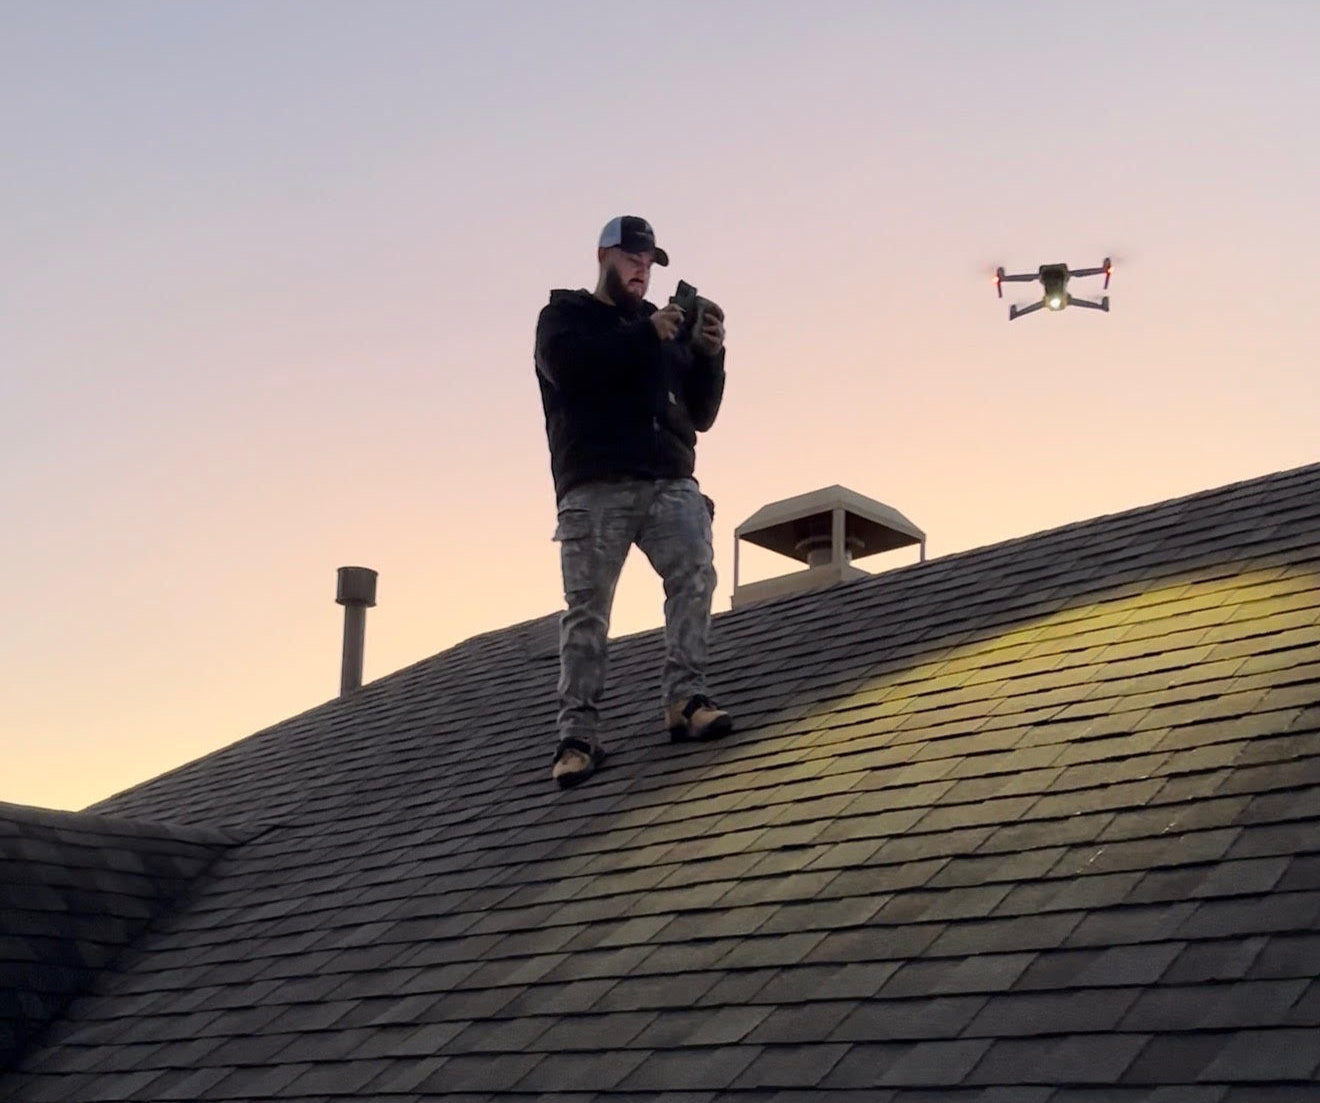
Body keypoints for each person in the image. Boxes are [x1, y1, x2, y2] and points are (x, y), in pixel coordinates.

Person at [534, 215, 733, 788]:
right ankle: (577, 736)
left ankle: (686, 700)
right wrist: (647, 335)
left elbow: (700, 414)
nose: (641, 270)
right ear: (603, 257)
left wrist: (709, 354)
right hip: (595, 483)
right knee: (588, 611)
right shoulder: (565, 317)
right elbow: (570, 369)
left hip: (669, 478)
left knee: (695, 575)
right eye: (630, 258)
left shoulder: (662, 328)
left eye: (648, 262)